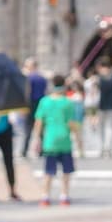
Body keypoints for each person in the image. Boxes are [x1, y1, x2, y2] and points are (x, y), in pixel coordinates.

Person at [33, 74, 80, 206]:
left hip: (50, 140)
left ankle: (45, 196)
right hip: (65, 140)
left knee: (48, 171)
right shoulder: (68, 102)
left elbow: (39, 122)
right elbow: (71, 123)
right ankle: (64, 195)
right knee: (66, 172)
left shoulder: (44, 101)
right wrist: (78, 139)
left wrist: (36, 139)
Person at [19, 58, 47, 158]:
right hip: (41, 104)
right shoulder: (43, 78)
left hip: (31, 104)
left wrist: (23, 107)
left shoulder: (28, 78)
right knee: (41, 128)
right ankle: (42, 150)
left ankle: (25, 150)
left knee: (28, 128)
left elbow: (27, 92)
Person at [94, 59, 112, 158]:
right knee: (110, 127)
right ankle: (108, 148)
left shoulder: (98, 79)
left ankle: (102, 148)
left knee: (101, 128)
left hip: (101, 106)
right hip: (111, 105)